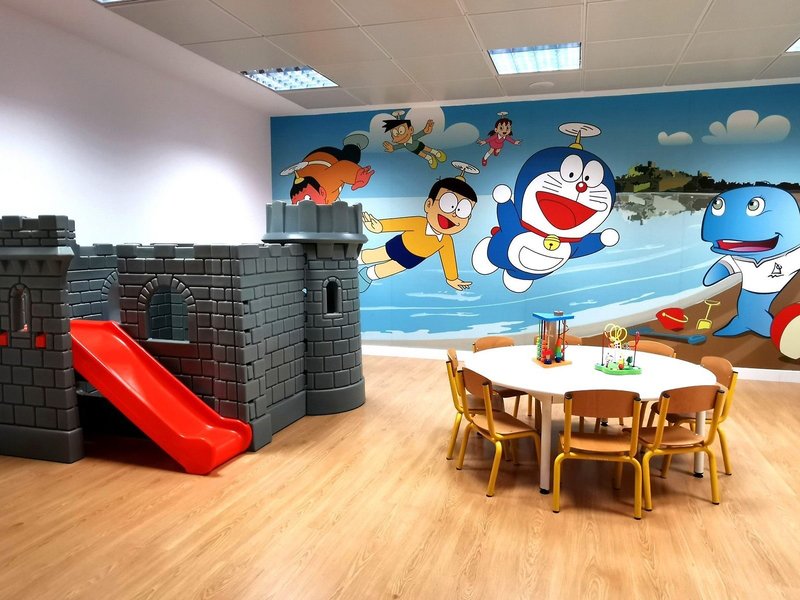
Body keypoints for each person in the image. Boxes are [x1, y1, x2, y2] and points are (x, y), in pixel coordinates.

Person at [359, 177, 477, 292]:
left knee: (384, 270)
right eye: (448, 205)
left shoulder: (446, 241)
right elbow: (398, 224)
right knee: (373, 256)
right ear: (429, 205)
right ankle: (354, 259)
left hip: (412, 259)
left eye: (463, 211)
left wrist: (452, 279)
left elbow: (448, 259)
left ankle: (366, 275)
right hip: (398, 245)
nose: (454, 214)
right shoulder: (419, 222)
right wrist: (380, 227)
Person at [286, 142, 373, 204]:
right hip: (313, 164)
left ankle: (354, 146)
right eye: (298, 204)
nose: (306, 205)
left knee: (351, 157)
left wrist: (357, 176)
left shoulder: (327, 182)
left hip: (332, 156)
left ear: (322, 192)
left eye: (309, 198)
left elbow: (340, 168)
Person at [382, 116, 446, 169]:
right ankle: (430, 158)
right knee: (422, 155)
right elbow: (398, 146)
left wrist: (425, 131)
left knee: (427, 149)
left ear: (411, 129)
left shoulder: (413, 138)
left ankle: (436, 152)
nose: (399, 136)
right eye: (395, 133)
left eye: (401, 131)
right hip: (414, 150)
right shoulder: (404, 144)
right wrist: (393, 148)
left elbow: (419, 134)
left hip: (419, 145)